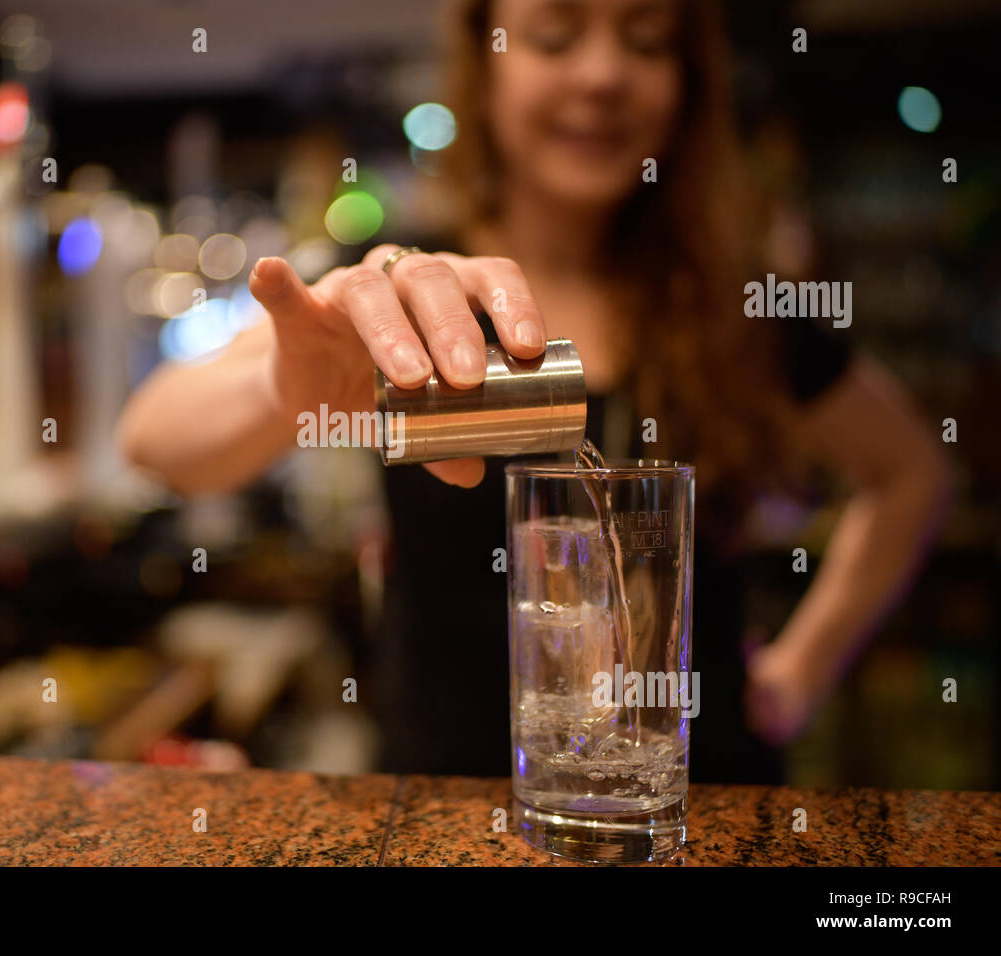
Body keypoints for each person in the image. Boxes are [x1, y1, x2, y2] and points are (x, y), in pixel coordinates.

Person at [118, 0, 950, 782]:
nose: (602, 75)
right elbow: (154, 440)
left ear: (689, 82)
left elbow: (912, 473)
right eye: (553, 36)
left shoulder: (738, 305)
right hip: (446, 810)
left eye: (647, 39)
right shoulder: (405, 284)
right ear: (486, 64)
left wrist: (802, 670)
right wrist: (284, 389)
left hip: (698, 807)